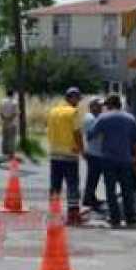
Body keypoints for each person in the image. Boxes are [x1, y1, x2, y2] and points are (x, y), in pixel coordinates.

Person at [87, 94, 136, 228]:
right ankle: (131, 217)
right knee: (127, 189)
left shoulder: (103, 118)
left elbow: (91, 135)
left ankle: (115, 218)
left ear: (109, 105)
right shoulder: (131, 118)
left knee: (110, 190)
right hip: (125, 159)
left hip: (109, 159)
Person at [47, 87, 85, 225]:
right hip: (70, 154)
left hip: (55, 154)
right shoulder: (73, 112)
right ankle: (73, 215)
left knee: (55, 185)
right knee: (72, 185)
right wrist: (82, 150)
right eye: (77, 99)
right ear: (71, 98)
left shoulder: (53, 111)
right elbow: (77, 133)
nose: (78, 102)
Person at [82, 97, 105, 212]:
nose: (101, 107)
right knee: (93, 177)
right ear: (92, 106)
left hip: (95, 151)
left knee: (94, 177)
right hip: (94, 152)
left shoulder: (95, 117)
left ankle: (91, 197)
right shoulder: (91, 118)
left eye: (101, 105)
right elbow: (91, 135)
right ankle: (88, 199)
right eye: (99, 105)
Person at [0, 90, 19, 158]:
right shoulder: (15, 102)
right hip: (12, 122)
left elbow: (0, 112)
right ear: (12, 94)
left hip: (4, 122)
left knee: (5, 137)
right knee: (12, 138)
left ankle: (4, 152)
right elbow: (15, 113)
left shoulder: (2, 101)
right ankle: (11, 153)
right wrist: (9, 119)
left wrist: (4, 119)